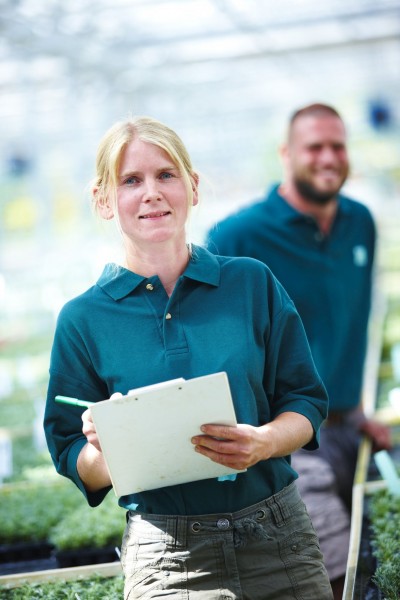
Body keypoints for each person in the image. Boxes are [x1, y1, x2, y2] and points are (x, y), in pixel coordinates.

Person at [44, 116, 334, 600]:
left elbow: (305, 401)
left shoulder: (251, 283)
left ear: (192, 187)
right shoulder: (82, 319)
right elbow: (73, 455)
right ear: (103, 200)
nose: (151, 192)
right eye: (131, 180)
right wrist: (112, 446)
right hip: (169, 558)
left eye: (166, 175)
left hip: (277, 537)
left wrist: (262, 441)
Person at [206, 103, 392, 598]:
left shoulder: (359, 222)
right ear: (287, 154)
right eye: (315, 146)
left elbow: (347, 325)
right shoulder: (237, 236)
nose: (328, 157)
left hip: (346, 425)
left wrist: (352, 412)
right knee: (336, 574)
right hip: (288, 439)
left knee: (376, 559)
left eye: (338, 145)